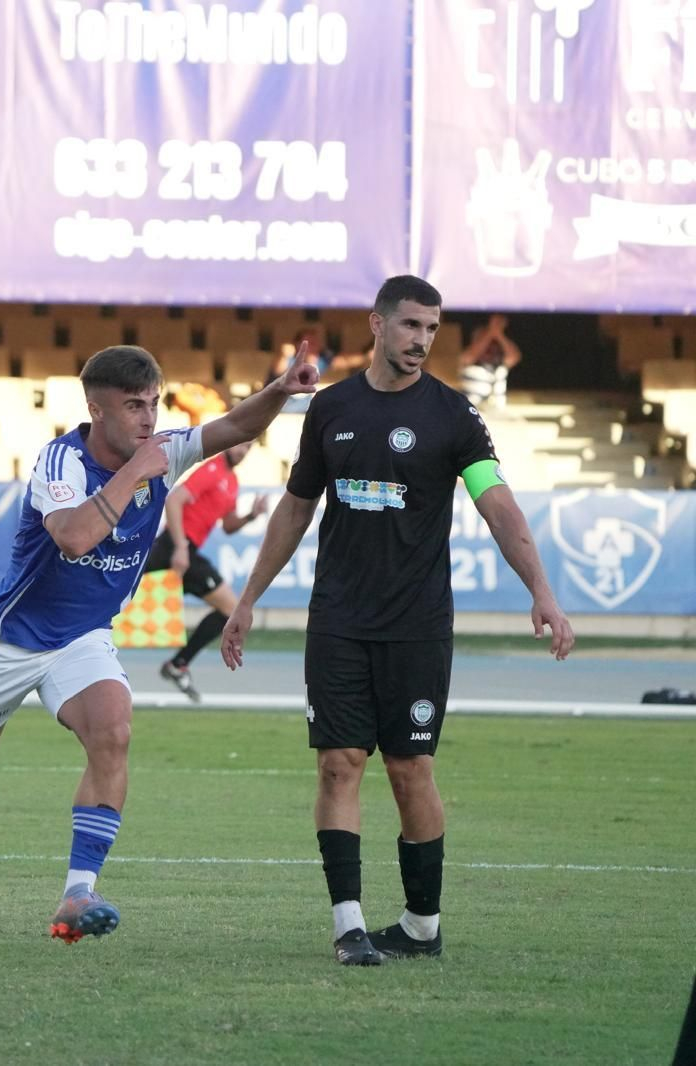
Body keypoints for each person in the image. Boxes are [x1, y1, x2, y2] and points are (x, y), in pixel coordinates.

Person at [0, 343, 319, 943]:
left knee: (114, 728)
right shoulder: (61, 462)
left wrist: (281, 390)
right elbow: (73, 538)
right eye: (132, 406)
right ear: (96, 409)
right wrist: (135, 472)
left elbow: (234, 427)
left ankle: (77, 894)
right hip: (9, 639)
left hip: (81, 638)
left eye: (153, 404)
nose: (149, 420)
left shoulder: (161, 451)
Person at [221, 275, 574, 967]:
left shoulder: (452, 417)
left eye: (432, 329)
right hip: (338, 621)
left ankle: (421, 925)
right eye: (410, 325)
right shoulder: (330, 410)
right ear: (377, 325)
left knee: (411, 770)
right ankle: (349, 925)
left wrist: (543, 590)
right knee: (338, 764)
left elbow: (495, 503)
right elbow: (296, 507)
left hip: (416, 624)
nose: (421, 341)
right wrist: (248, 599)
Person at [143, 440, 269, 701]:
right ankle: (178, 665)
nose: (243, 452)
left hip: (185, 551)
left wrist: (251, 516)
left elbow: (228, 526)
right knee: (113, 583)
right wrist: (179, 547)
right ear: (230, 443)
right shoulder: (211, 468)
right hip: (175, 546)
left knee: (230, 610)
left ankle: (178, 664)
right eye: (240, 445)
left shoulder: (232, 481)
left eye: (248, 449)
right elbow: (175, 500)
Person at [459, 313, 521, 409]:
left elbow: (514, 357)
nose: (489, 348)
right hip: (471, 408)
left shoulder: (501, 367)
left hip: (495, 410)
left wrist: (498, 333)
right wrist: (491, 331)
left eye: (493, 345)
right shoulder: (468, 361)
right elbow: (469, 356)